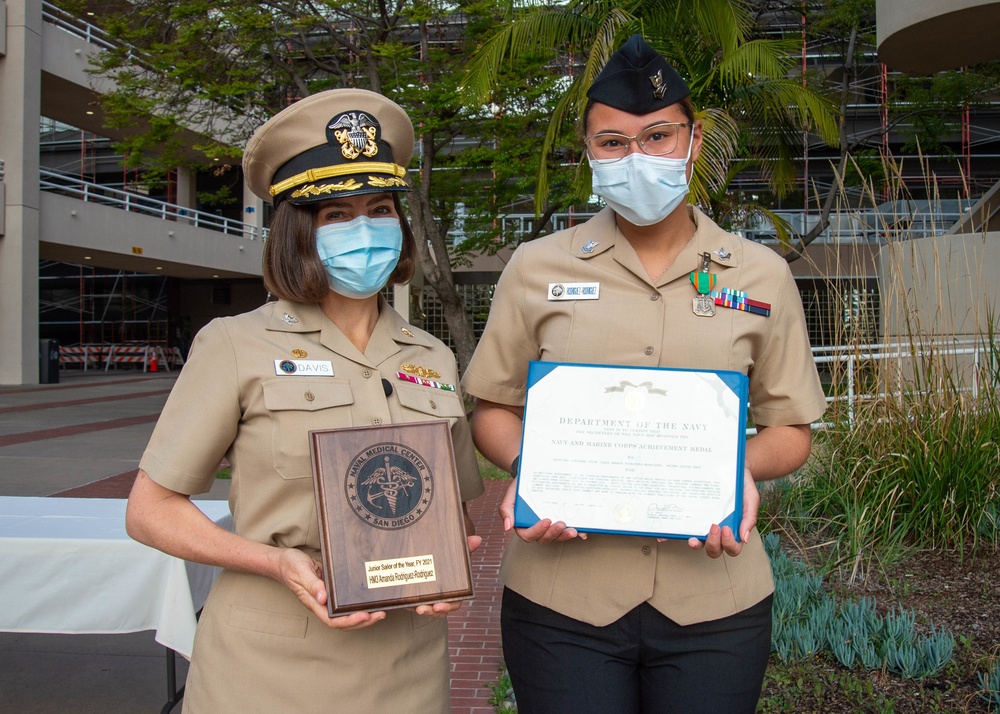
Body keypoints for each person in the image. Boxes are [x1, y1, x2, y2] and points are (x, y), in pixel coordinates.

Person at [461, 35, 827, 713]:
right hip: (562, 599)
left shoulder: (758, 274)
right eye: (612, 143)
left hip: (715, 600)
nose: (637, 157)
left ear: (692, 143)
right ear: (589, 153)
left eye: (658, 136)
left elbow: (792, 428)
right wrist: (532, 468)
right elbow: (491, 407)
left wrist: (733, 469)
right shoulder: (538, 268)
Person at [126, 88, 484, 714]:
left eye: (378, 209)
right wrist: (273, 562)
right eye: (337, 215)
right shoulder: (234, 343)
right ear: (296, 229)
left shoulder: (431, 356)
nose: (364, 229)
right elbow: (150, 512)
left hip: (408, 666)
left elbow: (452, 507)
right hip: (271, 666)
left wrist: (452, 556)